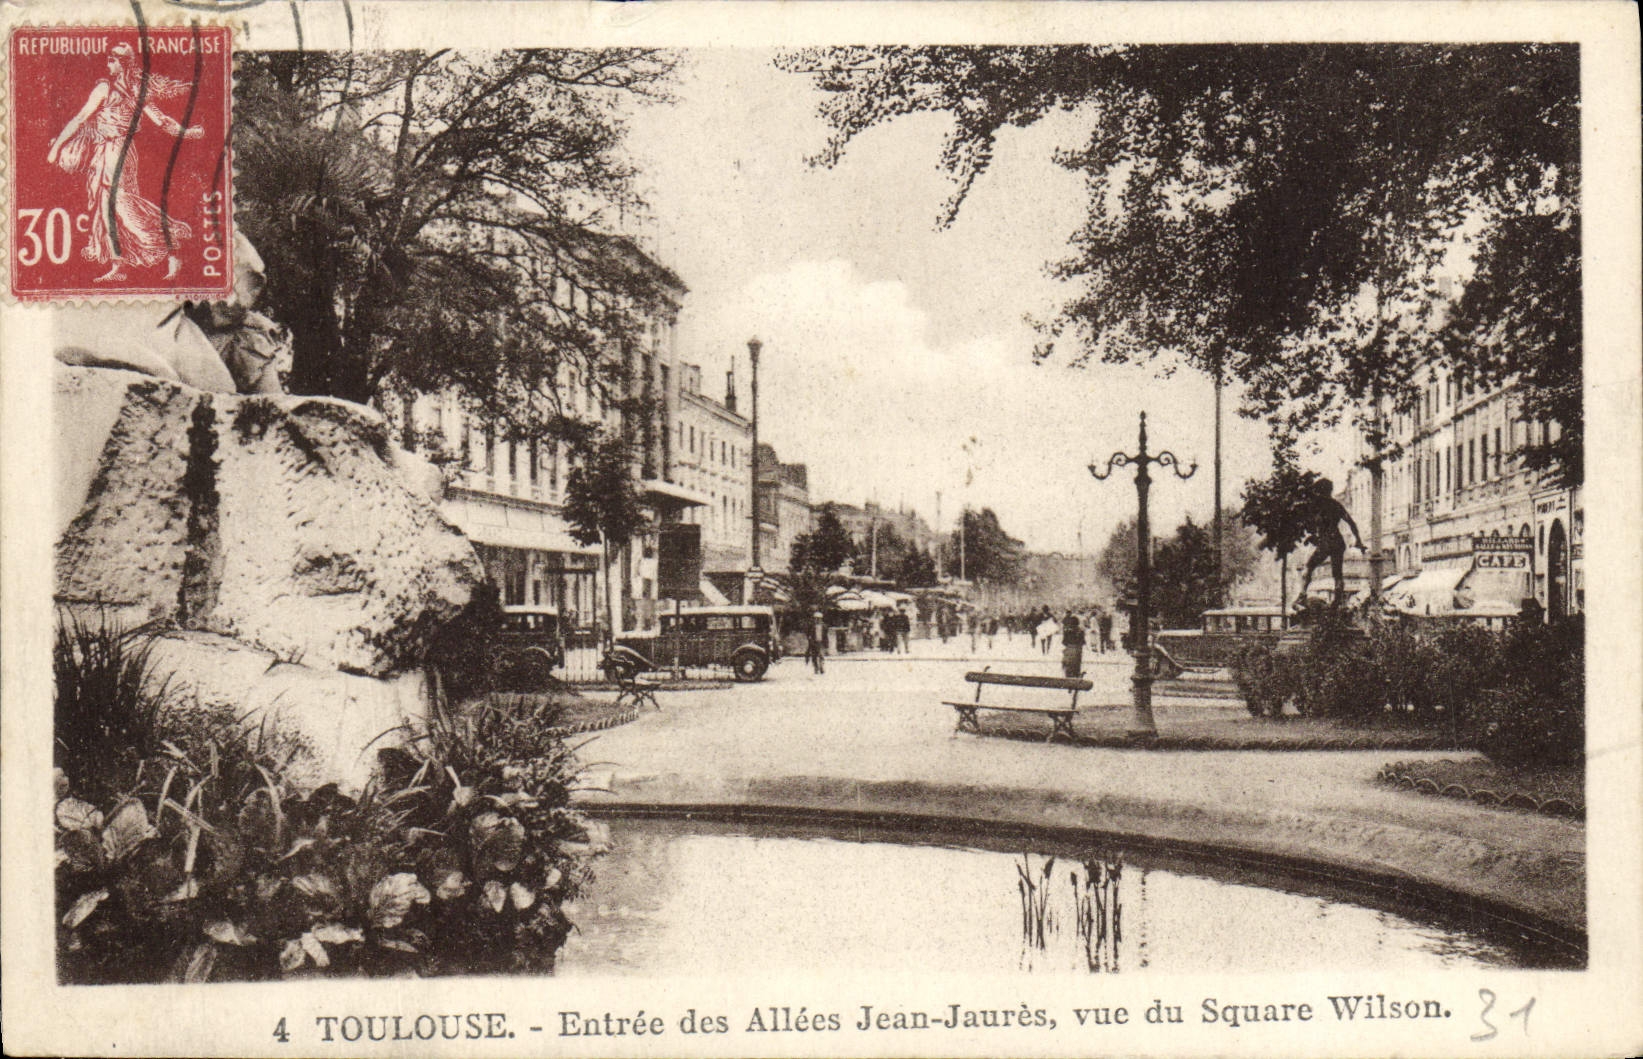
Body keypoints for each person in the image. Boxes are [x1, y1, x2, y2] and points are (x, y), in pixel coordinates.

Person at [46, 43, 205, 283]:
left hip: (119, 150)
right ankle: (118, 265)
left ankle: (171, 244)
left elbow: (160, 120)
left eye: (112, 60)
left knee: (122, 204)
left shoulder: (130, 90)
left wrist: (187, 132)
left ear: (122, 64)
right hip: (104, 150)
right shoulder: (107, 88)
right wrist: (57, 146)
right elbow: (81, 119)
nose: (108, 64)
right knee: (104, 207)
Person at [1299, 477, 1367, 606]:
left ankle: (1302, 594)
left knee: (1309, 566)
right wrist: (1359, 541)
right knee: (1337, 573)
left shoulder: (1316, 505)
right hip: (1338, 541)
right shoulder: (1336, 505)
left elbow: (1311, 524)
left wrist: (1312, 537)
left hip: (1325, 542)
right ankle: (1338, 600)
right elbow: (1351, 522)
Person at [1060, 613, 1086, 678]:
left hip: (1069, 649)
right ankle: (1077, 676)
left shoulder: (1067, 630)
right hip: (1077, 650)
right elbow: (1083, 642)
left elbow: (1064, 642)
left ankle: (1068, 677)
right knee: (1077, 665)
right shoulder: (1081, 631)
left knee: (1067, 666)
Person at [806, 610, 826, 674]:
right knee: (814, 656)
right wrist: (810, 639)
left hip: (821, 642)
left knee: (821, 655)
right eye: (816, 618)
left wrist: (826, 643)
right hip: (814, 643)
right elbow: (808, 634)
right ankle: (816, 668)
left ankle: (821, 667)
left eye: (819, 619)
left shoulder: (824, 626)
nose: (817, 620)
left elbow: (825, 635)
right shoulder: (811, 626)